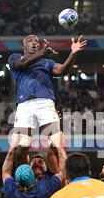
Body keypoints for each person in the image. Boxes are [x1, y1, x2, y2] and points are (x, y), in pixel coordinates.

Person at [8, 34, 87, 165]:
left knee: (57, 146)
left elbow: (62, 70)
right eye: (30, 41)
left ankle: (65, 181)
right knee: (21, 149)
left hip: (46, 104)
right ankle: (26, 181)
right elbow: (23, 63)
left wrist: (73, 54)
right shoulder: (15, 58)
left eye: (36, 41)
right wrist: (43, 52)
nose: (34, 43)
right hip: (24, 107)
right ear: (24, 45)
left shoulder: (46, 62)